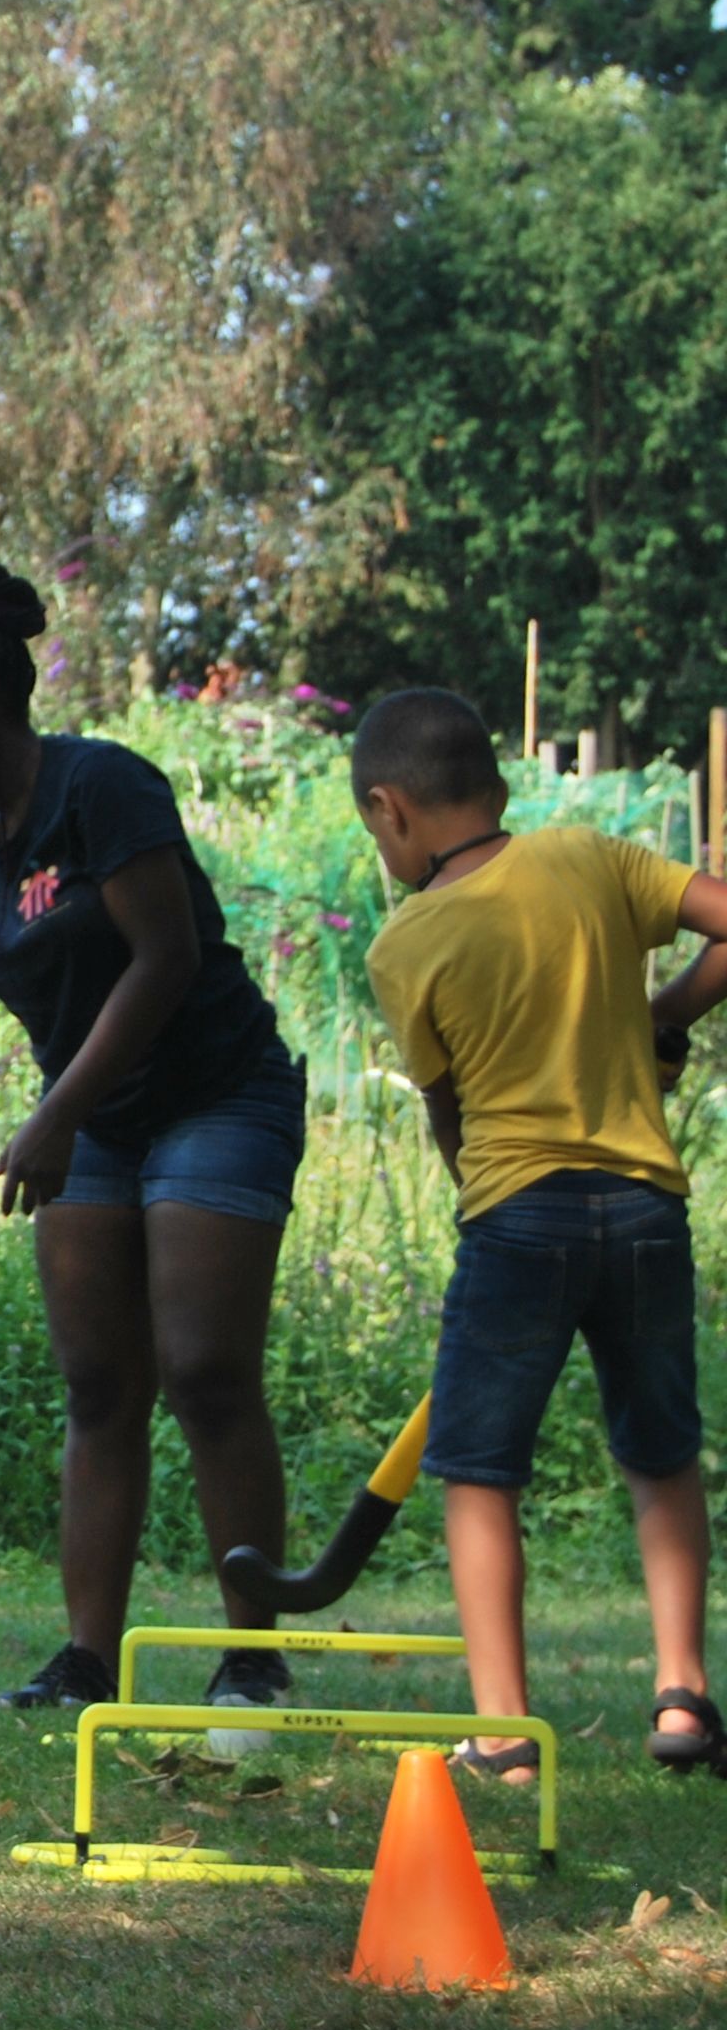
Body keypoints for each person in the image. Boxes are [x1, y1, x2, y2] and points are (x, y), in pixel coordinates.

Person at [0, 559, 306, 1719]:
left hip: (217, 1096)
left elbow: (163, 961)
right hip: (93, 1122)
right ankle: (83, 1664)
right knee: (100, 1383)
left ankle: (249, 1659)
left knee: (203, 1371)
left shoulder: (101, 786)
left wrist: (52, 1113)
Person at [350, 688, 726, 1781]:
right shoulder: (588, 857)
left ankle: (505, 1731)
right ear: (497, 785)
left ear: (390, 811)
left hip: (517, 1217)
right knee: (659, 1450)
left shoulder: (406, 943)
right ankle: (682, 1698)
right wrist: (665, 1014)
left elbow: (449, 1112)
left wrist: (476, 1192)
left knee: (478, 1470)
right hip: (645, 1209)